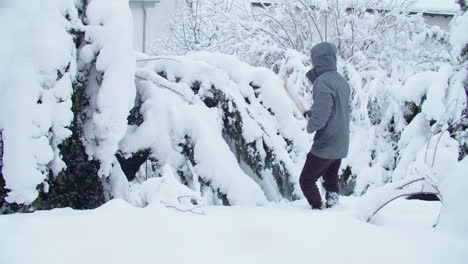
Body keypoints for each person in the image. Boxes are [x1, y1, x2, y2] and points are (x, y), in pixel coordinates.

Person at [300, 42, 351, 209]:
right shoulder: (340, 81)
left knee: (307, 180)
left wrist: (311, 124)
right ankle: (333, 208)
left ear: (317, 60)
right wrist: (312, 112)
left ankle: (318, 211)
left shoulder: (323, 82)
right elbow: (333, 108)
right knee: (330, 178)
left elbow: (322, 114)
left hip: (327, 141)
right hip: (341, 140)